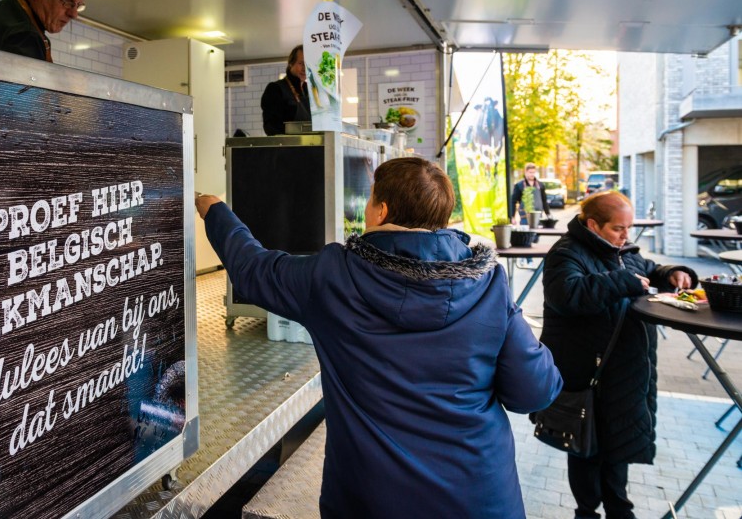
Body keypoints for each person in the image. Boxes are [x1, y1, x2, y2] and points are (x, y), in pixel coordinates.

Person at [196, 157, 563, 518]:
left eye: (370, 199)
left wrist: (215, 211)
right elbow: (534, 391)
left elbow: (254, 269)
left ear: (382, 211)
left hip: (371, 501)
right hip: (480, 498)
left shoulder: (332, 276)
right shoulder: (489, 284)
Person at [541, 190, 697, 519]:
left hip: (624, 373)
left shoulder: (623, 250)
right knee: (585, 448)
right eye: (618, 228)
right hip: (589, 374)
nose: (626, 235)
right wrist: (622, 281)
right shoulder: (566, 253)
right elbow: (567, 295)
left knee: (618, 443)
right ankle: (586, 512)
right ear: (593, 225)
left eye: (629, 228)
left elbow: (649, 270)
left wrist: (673, 273)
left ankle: (619, 508)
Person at [261, 44, 310, 135]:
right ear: (291, 64)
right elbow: (271, 127)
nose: (305, 69)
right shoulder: (275, 89)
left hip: (311, 142)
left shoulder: (310, 90)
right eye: (301, 63)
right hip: (288, 143)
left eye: (308, 64)